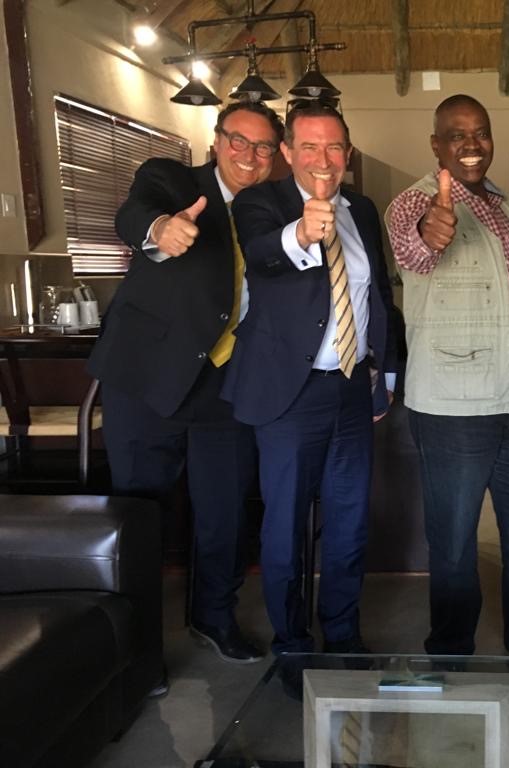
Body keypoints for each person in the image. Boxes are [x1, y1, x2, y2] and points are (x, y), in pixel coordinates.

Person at [385, 95, 509, 686]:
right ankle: (448, 655)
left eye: (481, 132)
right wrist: (431, 230)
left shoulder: (503, 203)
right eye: (456, 134)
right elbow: (414, 247)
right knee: (452, 539)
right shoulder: (413, 204)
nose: (471, 143)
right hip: (454, 405)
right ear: (436, 145)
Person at [90, 101, 285, 665]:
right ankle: (134, 641)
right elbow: (135, 211)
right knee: (140, 513)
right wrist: (159, 230)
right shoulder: (172, 180)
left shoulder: (275, 208)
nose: (250, 155)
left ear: (276, 156)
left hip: (225, 386)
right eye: (239, 141)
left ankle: (213, 617)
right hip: (147, 380)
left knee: (223, 514)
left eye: (264, 146)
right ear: (217, 141)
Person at [224, 100, 397, 656]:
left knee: (349, 524)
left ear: (347, 152)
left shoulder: (362, 209)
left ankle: (343, 635)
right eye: (309, 146)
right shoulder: (260, 202)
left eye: (334, 146)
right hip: (289, 395)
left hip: (351, 388)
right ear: (287, 153)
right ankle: (292, 642)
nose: (323, 158)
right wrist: (300, 233)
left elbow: (377, 296)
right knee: (286, 530)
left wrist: (384, 373)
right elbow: (260, 257)